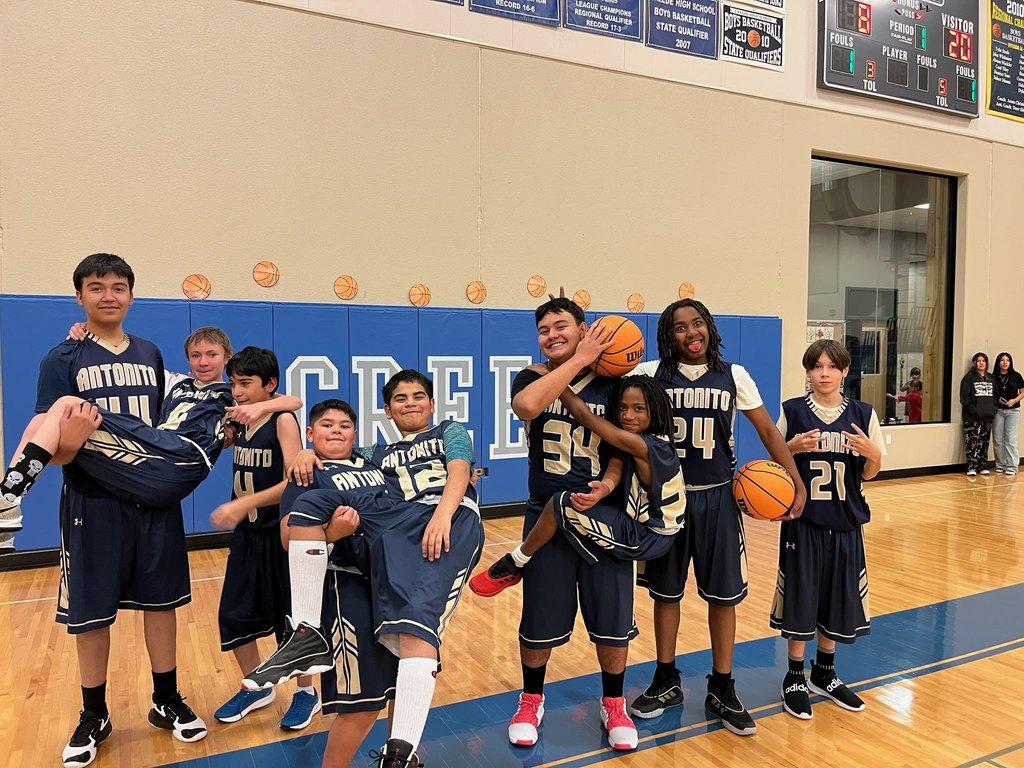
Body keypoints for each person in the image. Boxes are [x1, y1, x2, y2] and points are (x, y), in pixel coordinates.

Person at [2, 253, 197, 768]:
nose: (108, 295)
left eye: (117, 287)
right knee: (90, 615)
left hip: (151, 499)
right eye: (96, 287)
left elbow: (159, 431)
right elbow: (58, 450)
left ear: (131, 295)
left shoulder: (152, 353)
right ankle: (94, 713)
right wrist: (75, 437)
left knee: (162, 604)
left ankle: (166, 698)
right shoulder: (62, 358)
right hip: (92, 499)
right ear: (79, 296)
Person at [245, 371, 483, 768]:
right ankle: (305, 634)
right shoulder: (361, 458)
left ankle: (401, 756)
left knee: (412, 647)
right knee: (367, 697)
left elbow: (459, 468)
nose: (410, 403)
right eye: (400, 398)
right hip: (360, 573)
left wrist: (445, 512)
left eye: (418, 396)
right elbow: (289, 535)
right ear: (387, 410)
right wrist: (304, 456)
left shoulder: (442, 433)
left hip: (433, 528)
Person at [627, 298, 806, 736]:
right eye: (679, 327)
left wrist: (795, 480)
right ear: (667, 336)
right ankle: (666, 678)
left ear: (710, 327)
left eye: (697, 324)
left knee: (723, 597)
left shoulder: (734, 375)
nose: (691, 333)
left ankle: (722, 685)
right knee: (665, 594)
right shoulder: (651, 374)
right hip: (667, 500)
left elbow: (766, 430)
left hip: (718, 500)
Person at [492, 297, 640, 752]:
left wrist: (610, 483)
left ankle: (614, 703)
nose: (552, 334)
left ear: (583, 327)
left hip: (604, 514)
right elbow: (526, 407)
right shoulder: (535, 375)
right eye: (544, 330)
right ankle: (531, 698)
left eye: (562, 326)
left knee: (612, 620)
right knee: (539, 617)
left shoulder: (616, 386)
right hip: (548, 513)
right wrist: (578, 359)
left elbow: (623, 447)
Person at [470, 373, 684, 592]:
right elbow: (617, 461)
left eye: (639, 409)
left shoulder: (648, 446)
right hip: (647, 527)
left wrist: (556, 377)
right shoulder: (648, 440)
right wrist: (606, 487)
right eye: (622, 408)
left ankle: (516, 562)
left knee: (560, 503)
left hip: (648, 536)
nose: (627, 415)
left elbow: (585, 416)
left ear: (656, 409)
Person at [207, 346, 323, 731]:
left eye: (245, 384)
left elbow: (295, 480)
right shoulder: (241, 417)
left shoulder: (283, 420)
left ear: (269, 384)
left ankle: (306, 692)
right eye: (233, 383)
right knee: (234, 614)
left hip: (280, 532)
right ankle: (257, 686)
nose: (237, 391)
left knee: (291, 619)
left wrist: (244, 504)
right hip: (248, 533)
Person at [772, 339, 884, 719]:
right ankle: (794, 676)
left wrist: (872, 456)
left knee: (837, 598)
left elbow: (870, 472)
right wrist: (792, 448)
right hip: (804, 522)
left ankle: (825, 672)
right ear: (808, 371)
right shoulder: (791, 411)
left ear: (844, 371)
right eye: (816, 366)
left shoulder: (863, 414)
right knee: (802, 598)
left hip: (846, 522)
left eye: (831, 367)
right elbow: (774, 465)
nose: (824, 373)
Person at [960, 352, 997, 477]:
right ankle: (971, 467)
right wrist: (974, 411)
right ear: (974, 363)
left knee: (984, 442)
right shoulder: (968, 378)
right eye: (978, 361)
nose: (981, 363)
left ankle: (983, 466)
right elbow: (964, 398)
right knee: (972, 442)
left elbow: (996, 397)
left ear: (986, 363)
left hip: (988, 416)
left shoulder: (992, 378)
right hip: (972, 417)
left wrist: (993, 409)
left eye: (983, 361)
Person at [992, 352, 1024, 476]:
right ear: (998, 362)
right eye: (1002, 360)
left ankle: (1012, 465)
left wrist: (1014, 400)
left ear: (1010, 362)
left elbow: (1022, 392)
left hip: (1013, 411)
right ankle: (1000, 464)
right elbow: (993, 393)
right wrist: (998, 399)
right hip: (998, 410)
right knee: (998, 438)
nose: (1005, 362)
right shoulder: (993, 377)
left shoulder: (1016, 376)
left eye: (1007, 360)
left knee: (1010, 438)